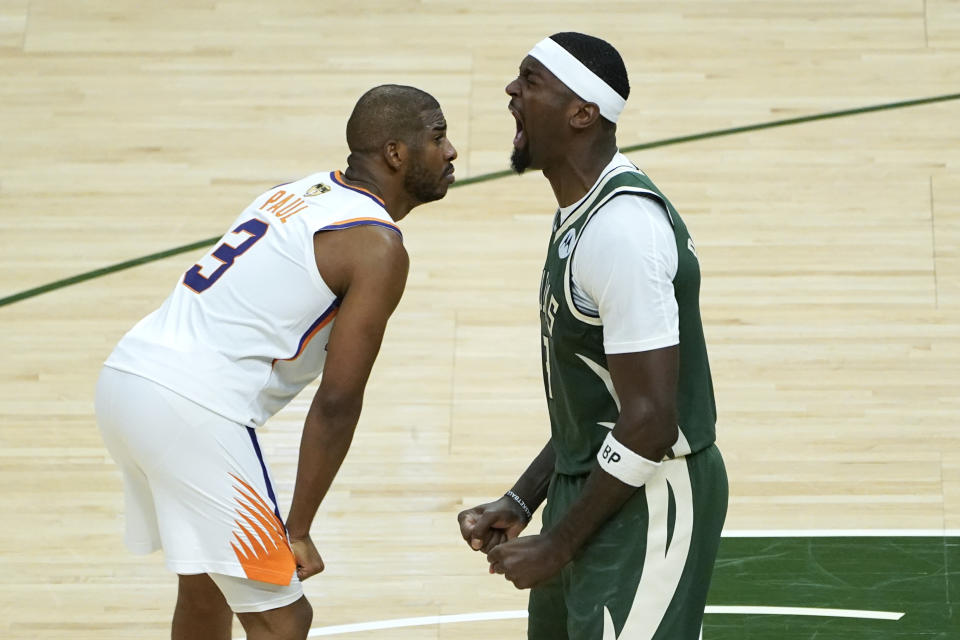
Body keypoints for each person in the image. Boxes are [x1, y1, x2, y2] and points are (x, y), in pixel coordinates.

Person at [95, 84, 456, 640]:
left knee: (207, 585)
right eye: (438, 137)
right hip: (190, 407)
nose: (451, 151)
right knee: (283, 618)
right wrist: (300, 527)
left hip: (128, 377)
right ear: (395, 153)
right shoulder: (378, 247)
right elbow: (337, 400)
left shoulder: (300, 191)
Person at [457, 33, 728, 640]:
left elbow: (652, 420)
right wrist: (526, 498)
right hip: (596, 483)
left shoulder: (622, 232)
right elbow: (601, 406)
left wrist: (557, 545)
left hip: (654, 494)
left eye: (530, 81)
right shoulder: (581, 212)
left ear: (583, 112)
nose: (510, 90)